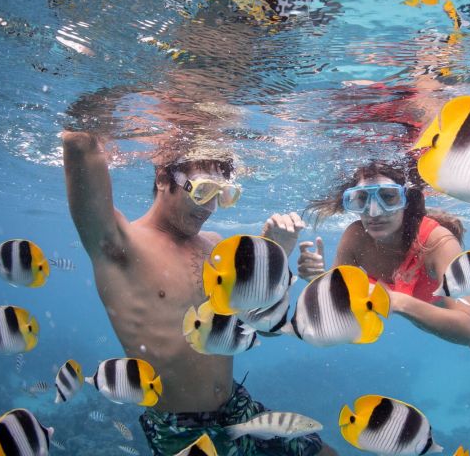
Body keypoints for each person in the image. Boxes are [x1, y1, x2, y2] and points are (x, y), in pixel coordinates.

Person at [62, 124, 338, 455]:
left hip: (236, 405)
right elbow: (81, 144)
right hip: (179, 428)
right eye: (202, 190)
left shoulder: (216, 247)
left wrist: (279, 257)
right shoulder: (121, 245)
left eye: (221, 195)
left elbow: (263, 327)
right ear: (164, 178)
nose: (209, 207)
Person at [298, 160, 470, 382]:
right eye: (360, 199)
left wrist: (399, 302)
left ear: (407, 199)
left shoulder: (437, 243)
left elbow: (466, 330)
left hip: (469, 310)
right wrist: (319, 280)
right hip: (419, 310)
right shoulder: (355, 237)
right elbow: (341, 304)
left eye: (389, 197)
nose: (374, 212)